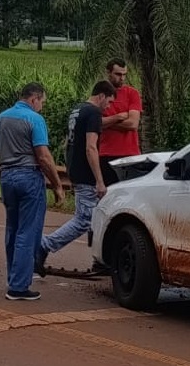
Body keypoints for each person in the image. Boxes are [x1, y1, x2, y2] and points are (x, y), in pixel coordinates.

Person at [0, 83, 65, 301]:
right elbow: (43, 156)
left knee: (13, 228)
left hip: (8, 177)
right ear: (34, 99)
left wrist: (0, 174)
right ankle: (18, 286)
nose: (42, 107)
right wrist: (57, 184)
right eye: (42, 102)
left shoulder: (0, 118)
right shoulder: (35, 119)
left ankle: (14, 277)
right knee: (28, 231)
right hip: (29, 177)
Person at [35, 81, 117, 275]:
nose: (109, 107)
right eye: (109, 102)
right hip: (86, 174)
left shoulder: (77, 110)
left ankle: (102, 259)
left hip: (76, 169)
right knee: (84, 220)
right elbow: (91, 147)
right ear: (101, 96)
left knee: (94, 218)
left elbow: (68, 143)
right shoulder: (93, 113)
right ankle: (44, 245)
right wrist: (99, 180)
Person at [99, 59, 143, 187]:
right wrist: (118, 117)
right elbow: (96, 122)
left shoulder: (132, 93)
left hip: (130, 154)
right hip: (107, 154)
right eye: (118, 74)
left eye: (124, 75)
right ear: (108, 73)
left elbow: (133, 124)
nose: (122, 78)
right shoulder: (100, 95)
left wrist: (108, 122)